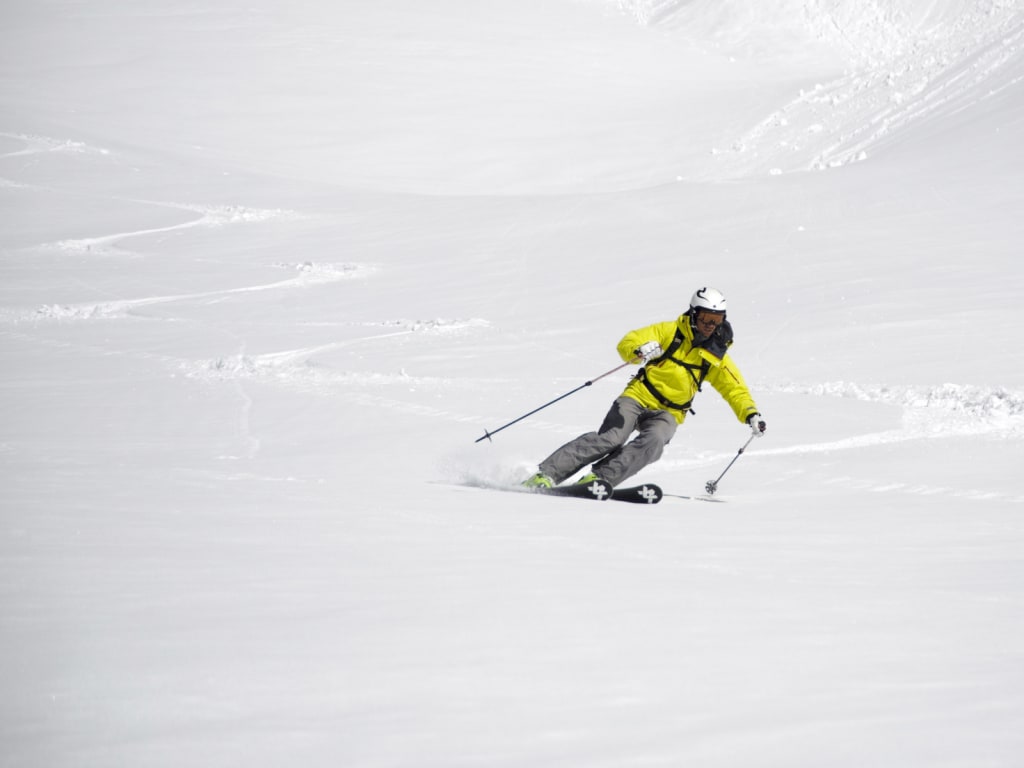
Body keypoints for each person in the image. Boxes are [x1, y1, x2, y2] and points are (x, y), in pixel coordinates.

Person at [523, 287, 766, 489]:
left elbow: (734, 388)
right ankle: (547, 474)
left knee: (655, 441)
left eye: (717, 320)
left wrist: (750, 414)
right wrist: (639, 351)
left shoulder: (715, 353)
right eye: (705, 319)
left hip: (670, 412)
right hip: (638, 396)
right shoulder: (669, 331)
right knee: (611, 438)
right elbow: (628, 342)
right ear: (693, 314)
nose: (710, 326)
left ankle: (600, 479)